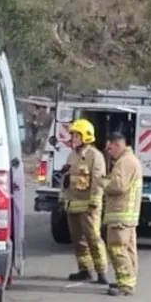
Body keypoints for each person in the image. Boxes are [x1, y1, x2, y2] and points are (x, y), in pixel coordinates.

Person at [64, 118, 109, 284]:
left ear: (86, 137)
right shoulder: (71, 156)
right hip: (73, 205)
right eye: (73, 136)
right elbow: (67, 180)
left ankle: (102, 272)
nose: (73, 139)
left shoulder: (95, 156)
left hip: (89, 207)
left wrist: (94, 202)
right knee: (78, 240)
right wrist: (63, 199)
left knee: (93, 238)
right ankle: (85, 270)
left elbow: (98, 181)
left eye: (77, 136)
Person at [102, 130, 142, 297]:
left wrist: (102, 181)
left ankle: (125, 284)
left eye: (110, 148)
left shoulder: (125, 162)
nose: (108, 151)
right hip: (128, 216)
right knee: (128, 249)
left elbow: (117, 186)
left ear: (118, 145)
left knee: (117, 248)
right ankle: (128, 281)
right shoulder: (129, 160)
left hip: (121, 214)